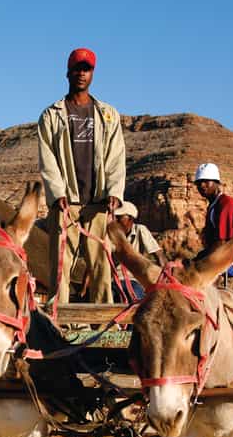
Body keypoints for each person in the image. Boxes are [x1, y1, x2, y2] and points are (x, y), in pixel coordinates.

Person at [39, 47, 127, 307]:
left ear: (92, 74)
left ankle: (103, 319)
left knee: (101, 265)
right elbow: (48, 159)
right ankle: (59, 317)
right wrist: (57, 194)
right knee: (60, 265)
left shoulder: (107, 114)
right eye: (77, 68)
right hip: (66, 203)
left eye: (86, 69)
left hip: (98, 203)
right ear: (68, 72)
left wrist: (114, 192)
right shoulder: (52, 115)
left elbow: (116, 156)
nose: (81, 73)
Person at [194, 163, 233, 281]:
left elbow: (222, 243)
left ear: (216, 182)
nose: (202, 186)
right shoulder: (214, 204)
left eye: (206, 181)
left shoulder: (225, 204)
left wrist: (199, 260)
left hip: (228, 260)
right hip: (217, 255)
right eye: (199, 183)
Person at [112, 200, 165, 301]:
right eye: (115, 218)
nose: (116, 221)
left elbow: (158, 254)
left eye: (119, 218)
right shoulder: (112, 233)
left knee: (138, 301)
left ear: (130, 219)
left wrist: (165, 279)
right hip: (113, 280)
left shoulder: (140, 230)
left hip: (134, 280)